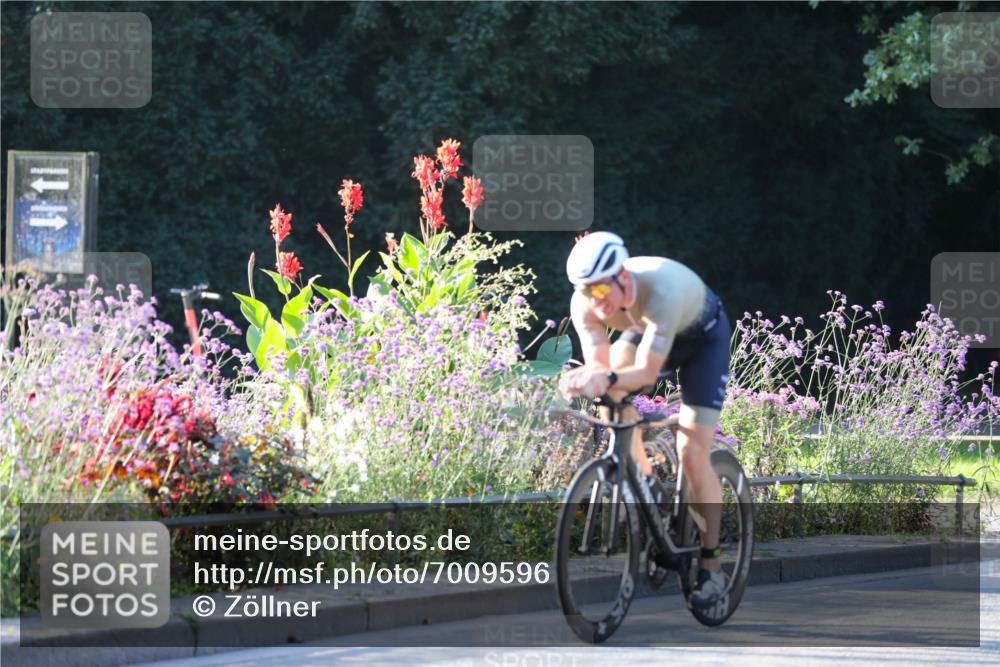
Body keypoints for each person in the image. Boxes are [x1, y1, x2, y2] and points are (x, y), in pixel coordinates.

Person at [558, 231, 731, 608]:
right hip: (645, 331)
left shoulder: (661, 291)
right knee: (609, 390)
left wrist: (604, 377)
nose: (596, 302)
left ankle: (711, 567)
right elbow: (602, 371)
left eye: (602, 291)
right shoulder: (585, 302)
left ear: (623, 277)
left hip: (702, 341)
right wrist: (585, 380)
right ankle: (645, 478)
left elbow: (647, 374)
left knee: (691, 452)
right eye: (588, 293)